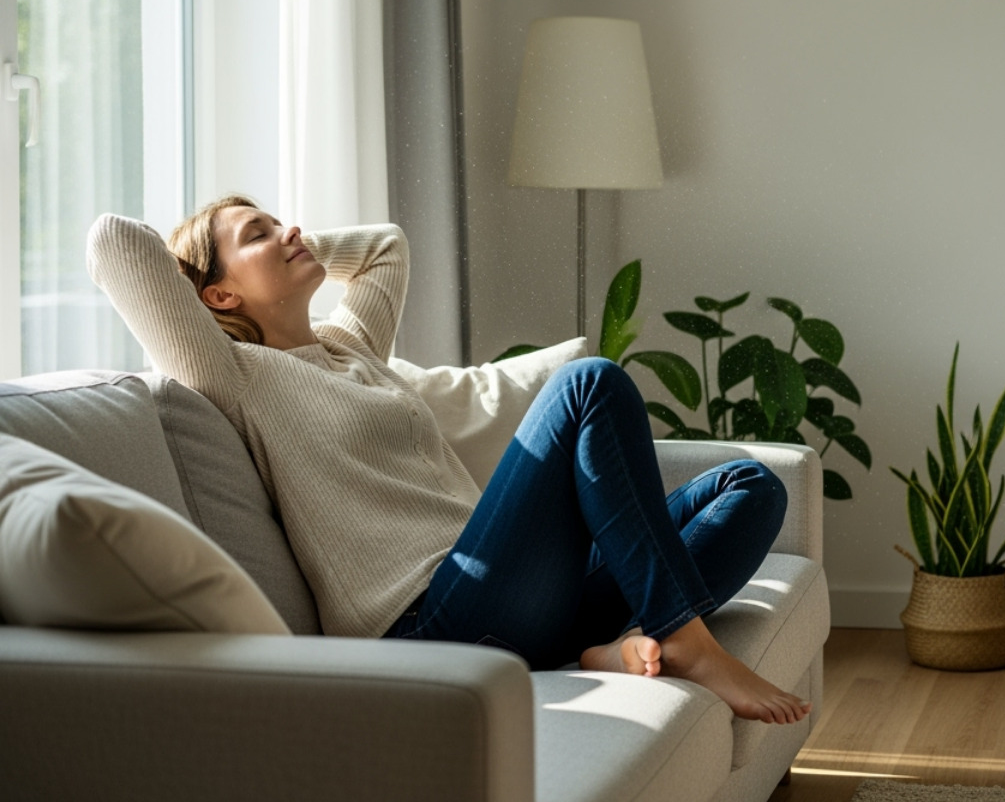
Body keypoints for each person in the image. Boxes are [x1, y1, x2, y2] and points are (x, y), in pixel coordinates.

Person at [87, 195, 810, 725]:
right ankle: (683, 637)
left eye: (282, 220)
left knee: (750, 487)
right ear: (218, 292)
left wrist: (287, 247)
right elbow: (114, 243)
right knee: (589, 385)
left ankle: (618, 644)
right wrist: (235, 257)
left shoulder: (350, 349)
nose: (291, 229)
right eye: (259, 233)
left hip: (512, 595)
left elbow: (385, 247)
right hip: (432, 621)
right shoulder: (235, 375)